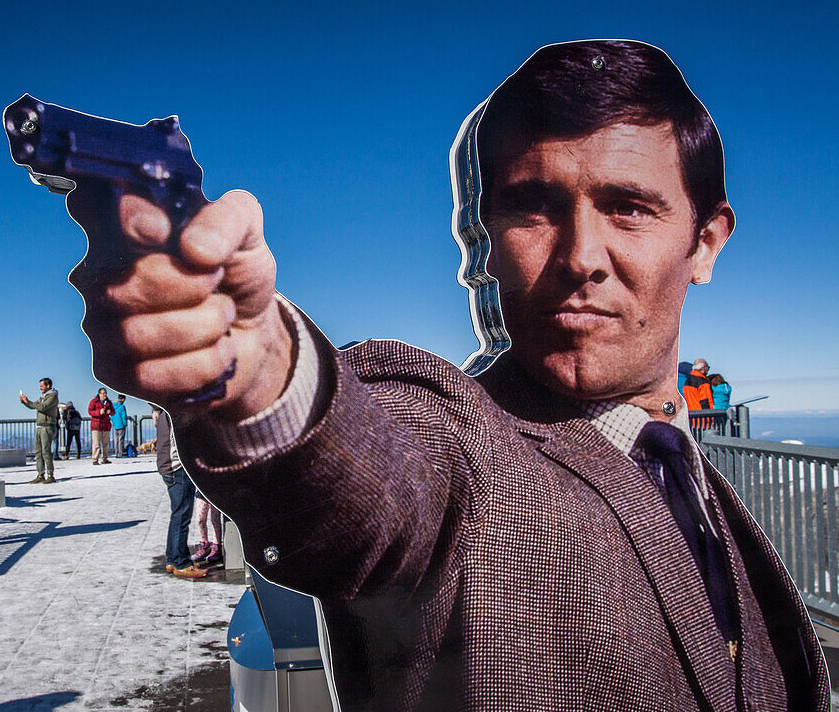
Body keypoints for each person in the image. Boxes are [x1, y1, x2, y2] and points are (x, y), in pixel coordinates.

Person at [73, 40, 827, 709]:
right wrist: (260, 370)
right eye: (533, 209)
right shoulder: (464, 447)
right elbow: (369, 467)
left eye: (628, 208)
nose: (580, 258)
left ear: (706, 241)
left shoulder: (693, 477)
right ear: (487, 241)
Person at [154, 407, 206, 579]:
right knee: (181, 516)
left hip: (166, 466)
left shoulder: (162, 411)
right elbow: (183, 439)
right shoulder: (172, 411)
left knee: (177, 514)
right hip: (177, 467)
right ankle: (181, 563)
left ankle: (173, 557)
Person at [20, 377, 59, 483]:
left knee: (46, 451)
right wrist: (25, 402)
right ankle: (40, 474)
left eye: (42, 386)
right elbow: (35, 405)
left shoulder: (52, 396)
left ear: (48, 386)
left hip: (47, 426)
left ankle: (50, 475)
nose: (40, 388)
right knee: (38, 451)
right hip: (39, 426)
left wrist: (29, 402)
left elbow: (42, 407)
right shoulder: (43, 397)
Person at [190, 492, 223, 565]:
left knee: (215, 520)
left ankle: (216, 546)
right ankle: (204, 545)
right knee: (200, 520)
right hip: (202, 491)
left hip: (216, 490)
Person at [87, 388, 114, 465]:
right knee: (96, 444)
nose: (104, 395)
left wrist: (110, 412)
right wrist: (99, 412)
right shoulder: (93, 402)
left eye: (105, 393)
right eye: (103, 393)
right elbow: (90, 411)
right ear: (99, 394)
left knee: (105, 443)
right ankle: (95, 459)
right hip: (96, 425)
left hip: (106, 425)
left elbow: (113, 412)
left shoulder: (108, 402)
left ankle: (105, 458)